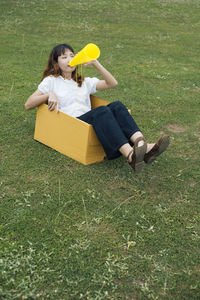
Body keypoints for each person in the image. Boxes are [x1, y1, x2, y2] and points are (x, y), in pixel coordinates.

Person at [25, 43, 170, 172]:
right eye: (64, 57)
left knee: (117, 105)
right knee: (102, 111)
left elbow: (112, 83)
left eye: (72, 55)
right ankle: (130, 155)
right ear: (55, 62)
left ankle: (142, 144)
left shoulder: (84, 81)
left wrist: (95, 63)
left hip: (91, 121)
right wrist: (48, 95)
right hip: (72, 124)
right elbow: (28, 104)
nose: (70, 59)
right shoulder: (51, 81)